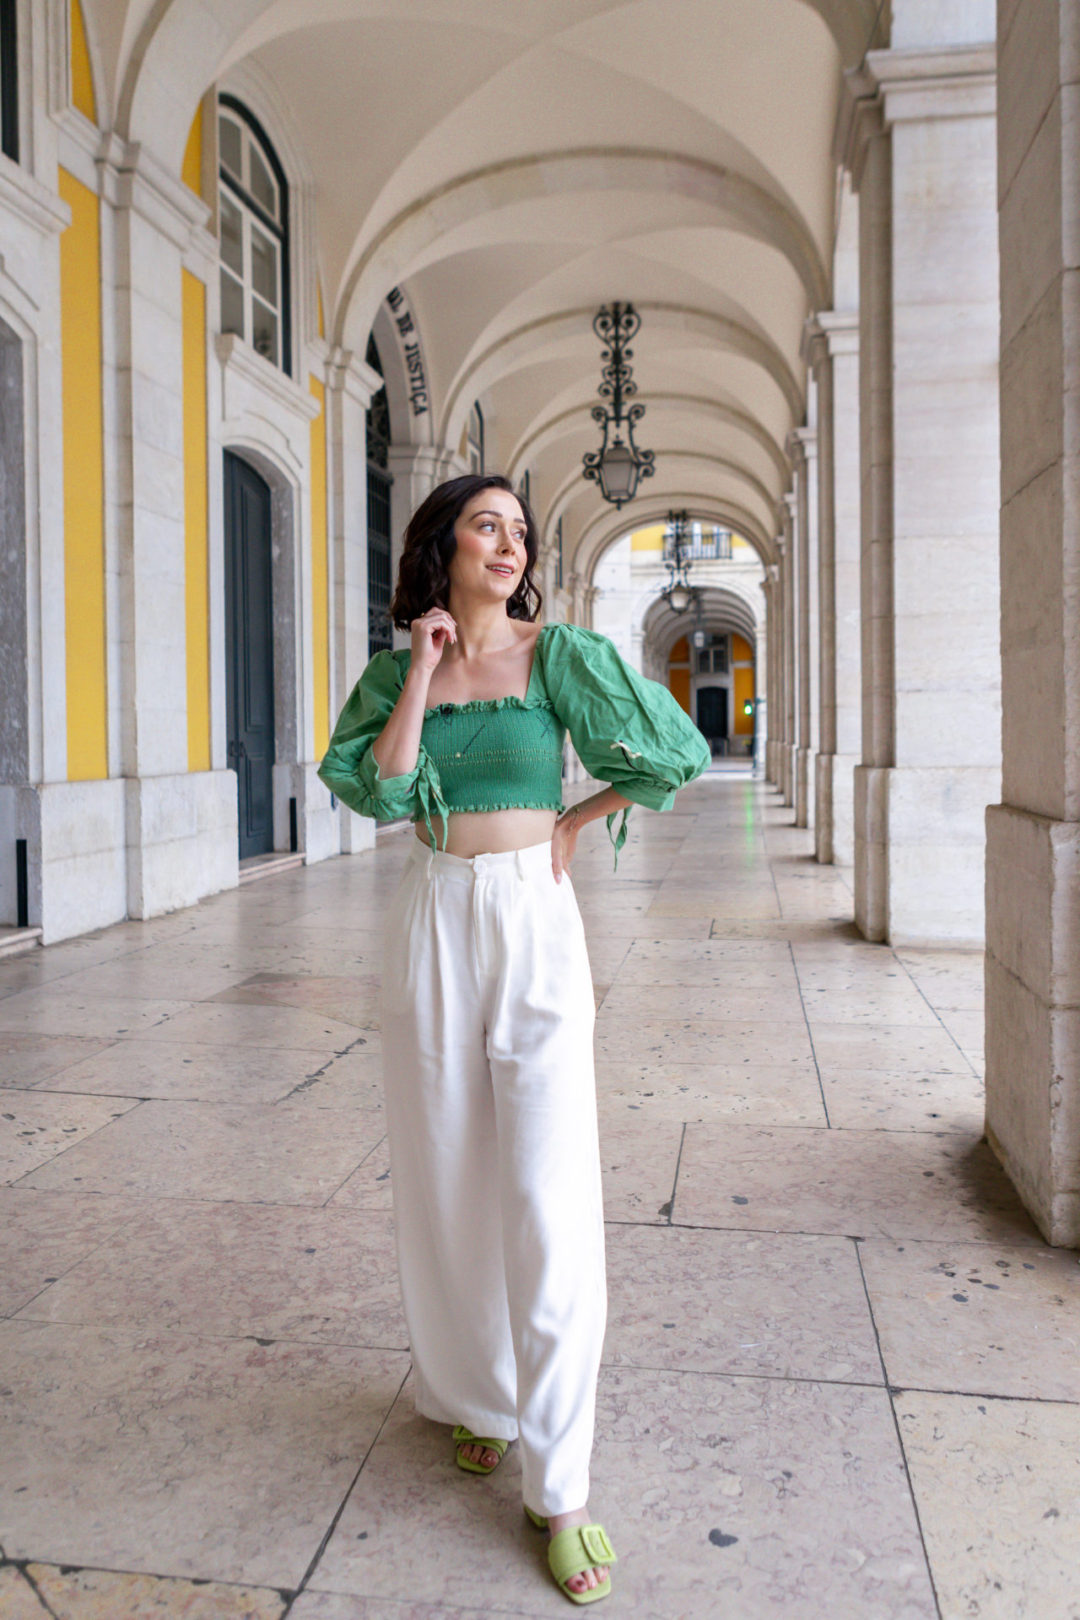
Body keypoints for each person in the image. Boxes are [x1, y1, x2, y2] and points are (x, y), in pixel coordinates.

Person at [319, 474, 710, 1605]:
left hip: (533, 923)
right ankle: (478, 1397)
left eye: (520, 530)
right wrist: (428, 666)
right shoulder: (403, 673)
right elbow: (382, 793)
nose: (509, 542)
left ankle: (564, 1482)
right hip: (433, 916)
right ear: (441, 544)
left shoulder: (562, 656)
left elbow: (668, 755)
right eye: (487, 524)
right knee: (446, 1179)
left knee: (547, 1192)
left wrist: (578, 821)